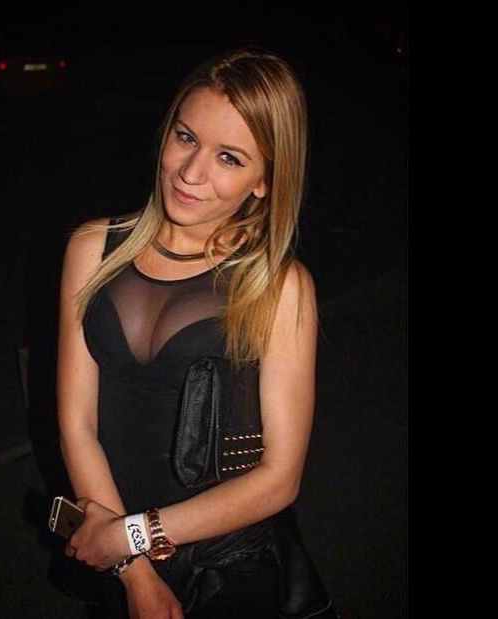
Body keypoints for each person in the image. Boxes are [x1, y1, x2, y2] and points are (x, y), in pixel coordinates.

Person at [56, 47, 336, 618]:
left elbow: (279, 479)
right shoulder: (92, 249)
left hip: (223, 567)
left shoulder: (278, 287)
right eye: (186, 138)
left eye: (229, 157)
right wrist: (133, 571)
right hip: (112, 548)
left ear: (265, 181)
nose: (190, 172)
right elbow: (78, 425)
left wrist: (133, 535)